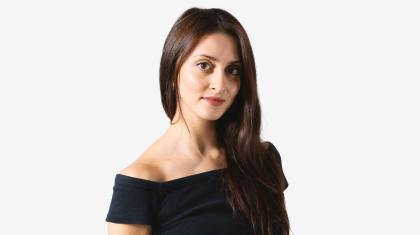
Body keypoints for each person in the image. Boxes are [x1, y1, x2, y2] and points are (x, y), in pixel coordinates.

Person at [105, 7, 290, 235]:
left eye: (233, 70)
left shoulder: (261, 159)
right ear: (173, 69)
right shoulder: (141, 182)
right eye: (204, 65)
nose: (220, 84)